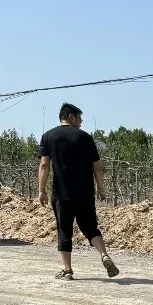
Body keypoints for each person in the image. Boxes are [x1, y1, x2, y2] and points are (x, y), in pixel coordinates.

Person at [37, 103, 119, 280]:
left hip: (62, 195)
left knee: (64, 229)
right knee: (90, 227)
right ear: (71, 117)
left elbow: (44, 164)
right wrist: (100, 189)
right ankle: (104, 254)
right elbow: (97, 168)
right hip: (85, 194)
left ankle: (67, 270)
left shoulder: (48, 136)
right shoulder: (85, 137)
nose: (81, 123)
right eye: (80, 119)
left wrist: (41, 190)